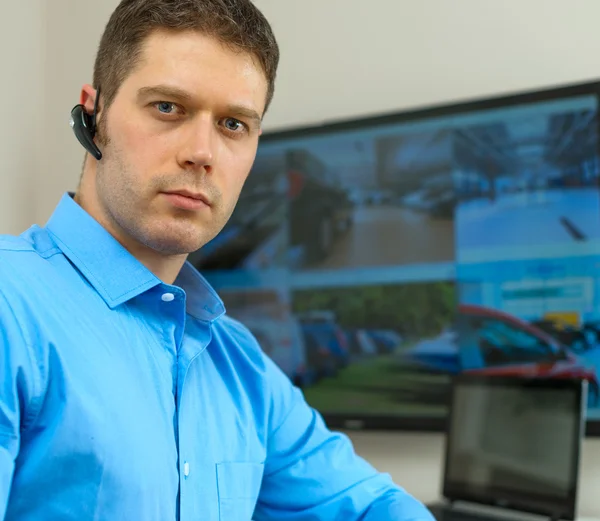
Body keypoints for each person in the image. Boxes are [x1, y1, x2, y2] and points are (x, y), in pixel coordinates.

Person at [0, 1, 436, 520]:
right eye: (167, 107)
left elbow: (372, 506)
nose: (202, 151)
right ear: (94, 116)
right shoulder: (11, 307)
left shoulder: (239, 364)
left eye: (233, 124)